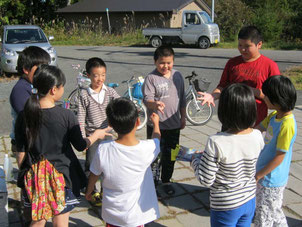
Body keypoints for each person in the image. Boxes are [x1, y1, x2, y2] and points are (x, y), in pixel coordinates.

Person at [14, 65, 111, 227]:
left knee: (38, 220)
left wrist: (26, 176)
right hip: (62, 177)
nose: (63, 90)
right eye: (61, 86)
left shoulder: (24, 115)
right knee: (61, 221)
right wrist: (96, 135)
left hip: (35, 177)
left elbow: (20, 151)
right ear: (53, 90)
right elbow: (81, 146)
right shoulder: (65, 116)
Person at [191, 83, 264, 227]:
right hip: (249, 199)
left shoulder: (216, 142)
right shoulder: (257, 135)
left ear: (224, 111)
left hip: (226, 204)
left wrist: (195, 160)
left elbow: (206, 179)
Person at [85, 97, 161, 227]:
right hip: (135, 217)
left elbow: (94, 173)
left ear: (110, 123)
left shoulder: (103, 149)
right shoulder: (146, 148)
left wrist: (89, 190)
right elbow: (157, 139)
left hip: (112, 214)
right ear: (138, 122)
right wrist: (156, 124)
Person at [199, 25, 280, 126]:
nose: (242, 50)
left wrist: (249, 90)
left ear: (259, 44)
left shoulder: (270, 66)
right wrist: (212, 96)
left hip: (256, 122)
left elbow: (275, 98)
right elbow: (222, 86)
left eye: (247, 46)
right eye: (240, 45)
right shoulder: (232, 63)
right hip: (230, 120)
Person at [142, 46, 186, 196]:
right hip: (156, 126)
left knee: (171, 155)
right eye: (162, 63)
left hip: (174, 125)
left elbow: (182, 99)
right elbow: (147, 100)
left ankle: (166, 180)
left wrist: (183, 117)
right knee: (154, 157)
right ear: (155, 62)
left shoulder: (178, 76)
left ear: (173, 61)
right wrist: (154, 104)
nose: (165, 66)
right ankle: (152, 183)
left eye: (169, 62)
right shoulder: (151, 78)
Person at [254, 75, 297, 227]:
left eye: (266, 96)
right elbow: (257, 129)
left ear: (277, 100)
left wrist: (259, 174)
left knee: (263, 217)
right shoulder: (274, 116)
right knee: (274, 211)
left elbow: (280, 156)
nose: (263, 98)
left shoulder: (287, 124)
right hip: (265, 174)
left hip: (271, 179)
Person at [77, 57, 119, 206]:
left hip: (108, 134)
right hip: (92, 136)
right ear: (88, 75)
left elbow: (121, 105)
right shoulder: (84, 95)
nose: (100, 79)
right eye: (96, 75)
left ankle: (104, 190)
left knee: (108, 165)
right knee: (91, 164)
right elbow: (81, 118)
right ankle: (92, 190)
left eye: (103, 75)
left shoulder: (111, 92)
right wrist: (84, 139)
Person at [9, 46, 50, 155]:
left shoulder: (33, 85)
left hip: (33, 141)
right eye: (40, 68)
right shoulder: (20, 90)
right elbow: (30, 117)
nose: (44, 71)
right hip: (25, 144)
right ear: (26, 69)